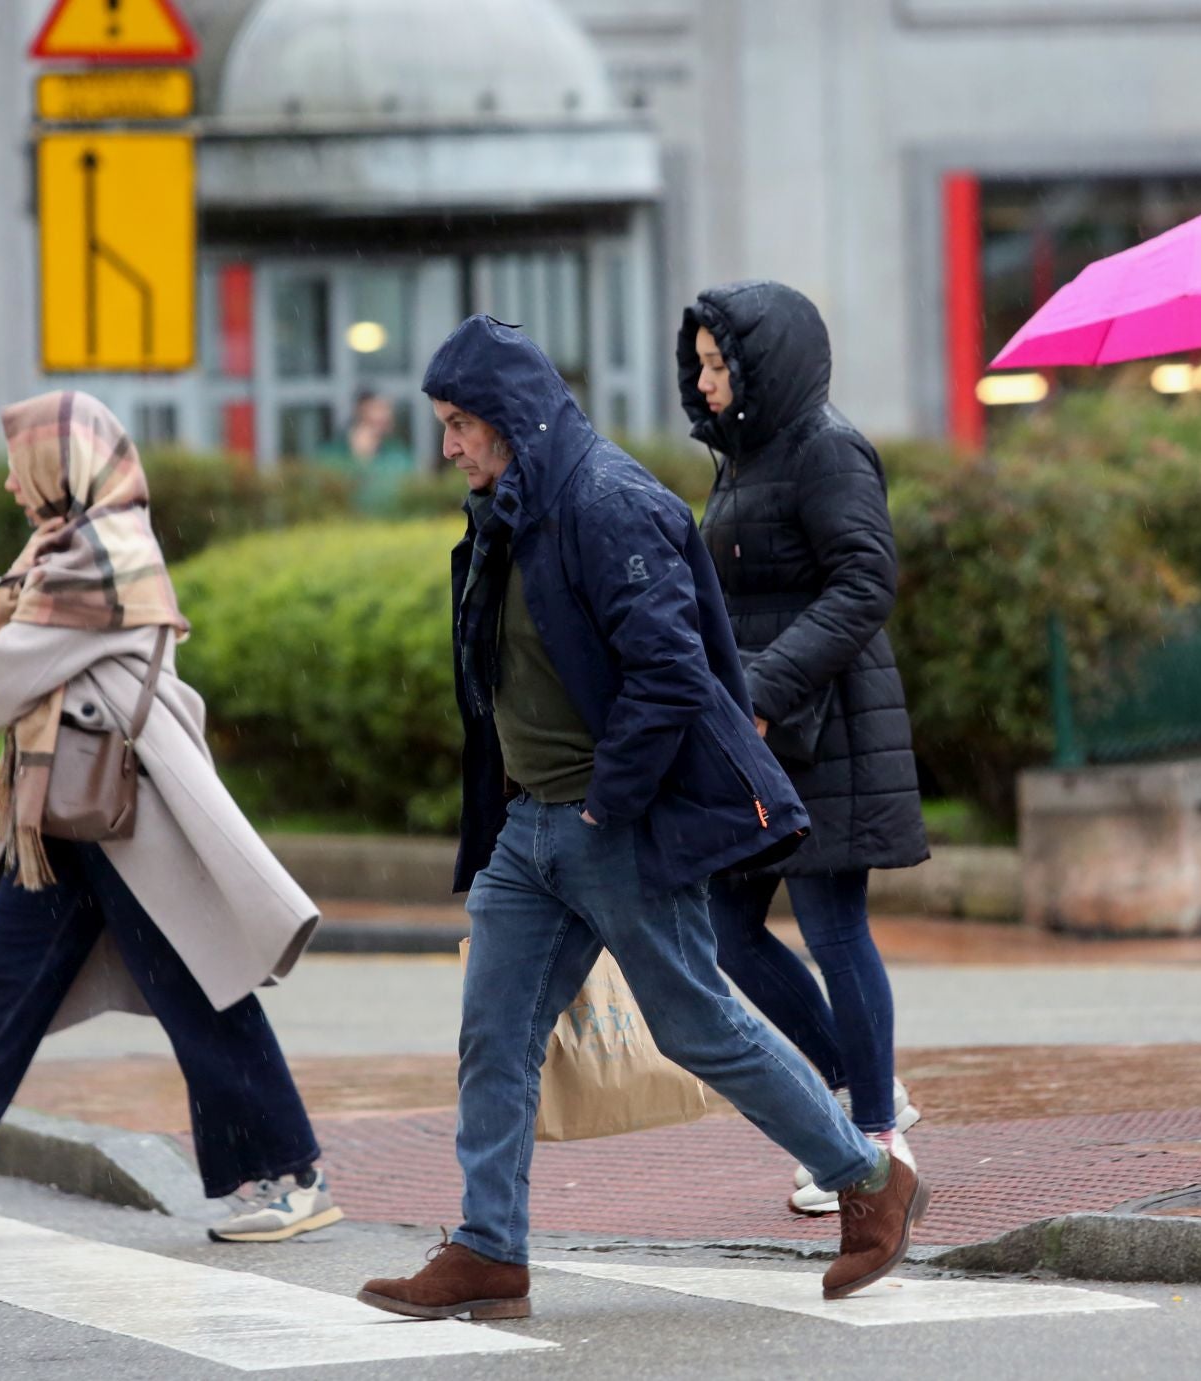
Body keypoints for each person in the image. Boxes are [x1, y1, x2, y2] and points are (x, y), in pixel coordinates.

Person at [356, 317, 929, 1321]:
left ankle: (870, 1178)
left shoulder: (606, 502)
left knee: (696, 1023)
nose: (447, 446)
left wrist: (605, 803)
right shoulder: (510, 503)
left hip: (610, 824)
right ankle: (490, 1247)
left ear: (510, 419)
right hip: (530, 832)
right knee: (494, 1038)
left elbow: (670, 674)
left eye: (458, 425)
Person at [0, 391, 339, 1246]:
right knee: (4, 983)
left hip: (128, 817)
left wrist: (7, 630)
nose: (18, 488)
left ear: (68, 464)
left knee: (197, 991)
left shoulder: (105, 548)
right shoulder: (65, 547)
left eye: (27, 467)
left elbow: (3, 672)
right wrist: (9, 626)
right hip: (71, 812)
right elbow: (6, 646)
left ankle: (295, 1175)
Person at [678, 281, 930, 1215]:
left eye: (721, 363)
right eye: (699, 363)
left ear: (764, 361)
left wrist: (763, 688)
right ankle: (856, 1082)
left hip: (827, 731)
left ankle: (873, 1132)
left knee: (832, 928)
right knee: (729, 930)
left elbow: (866, 583)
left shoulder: (828, 447)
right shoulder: (745, 457)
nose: (706, 381)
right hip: (761, 734)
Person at [315, 390, 415, 514]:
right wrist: (361, 459)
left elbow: (410, 490)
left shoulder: (397, 452)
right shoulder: (332, 454)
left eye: (387, 409)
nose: (386, 415)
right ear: (361, 411)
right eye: (378, 408)